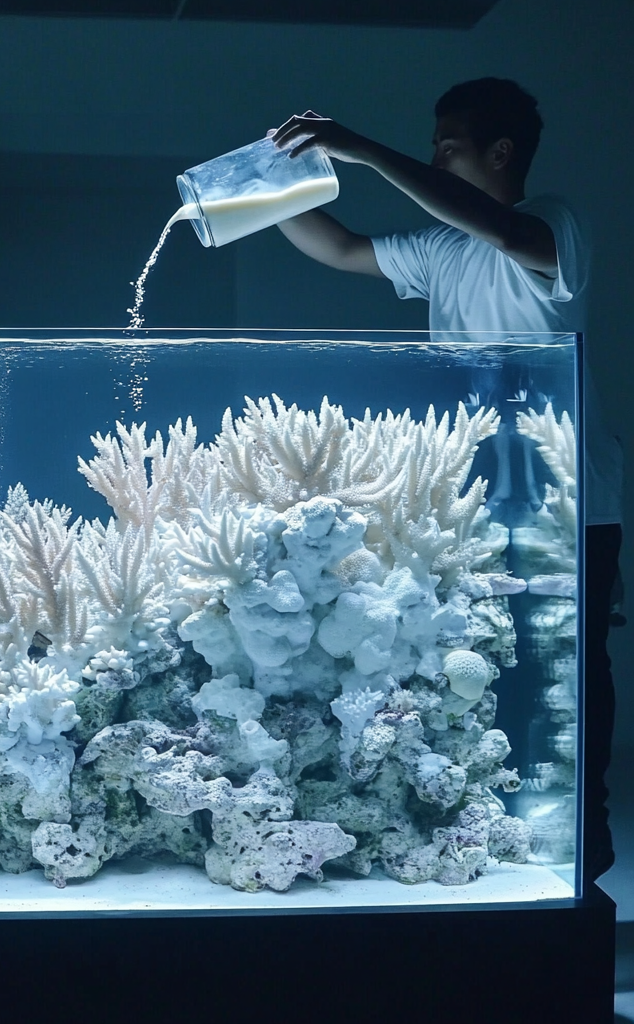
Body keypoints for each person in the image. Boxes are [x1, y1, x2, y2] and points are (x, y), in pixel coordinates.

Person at [270, 77, 622, 887]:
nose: (434, 155)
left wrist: (362, 148)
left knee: (571, 674)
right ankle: (495, 830)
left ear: (501, 152)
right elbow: (341, 248)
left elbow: (501, 229)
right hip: (478, 503)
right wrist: (268, 188)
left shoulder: (557, 226)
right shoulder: (443, 252)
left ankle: (582, 844)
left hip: (570, 504)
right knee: (488, 665)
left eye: (447, 144)